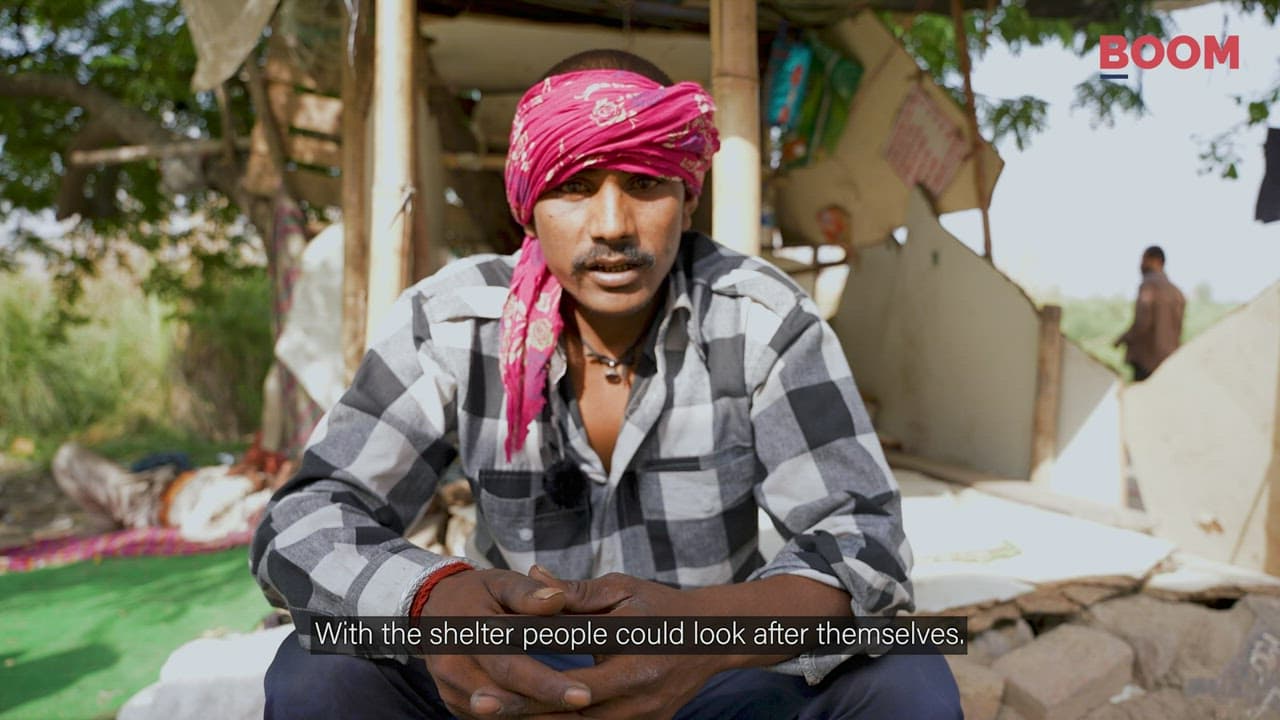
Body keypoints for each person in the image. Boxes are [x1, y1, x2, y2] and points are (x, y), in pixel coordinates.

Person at [253, 49, 960, 719]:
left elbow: (863, 541)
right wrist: (431, 601)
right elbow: (303, 518)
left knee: (903, 667)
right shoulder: (453, 322)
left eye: (646, 183)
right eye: (574, 186)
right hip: (504, 676)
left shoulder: (760, 318)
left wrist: (700, 633)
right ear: (529, 206)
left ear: (687, 197)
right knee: (318, 666)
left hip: (706, 676)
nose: (614, 225)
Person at [51, 442, 285, 542]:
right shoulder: (255, 483)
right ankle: (104, 519)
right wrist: (231, 472)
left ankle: (105, 521)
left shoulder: (256, 502)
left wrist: (246, 484)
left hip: (144, 503)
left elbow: (194, 528)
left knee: (67, 456)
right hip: (159, 482)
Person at [1114, 245, 1186, 381]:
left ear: (1156, 260)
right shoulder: (1177, 293)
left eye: (1144, 260)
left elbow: (1143, 323)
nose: (1140, 265)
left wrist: (1124, 338)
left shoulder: (1149, 286)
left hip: (1147, 362)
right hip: (1170, 361)